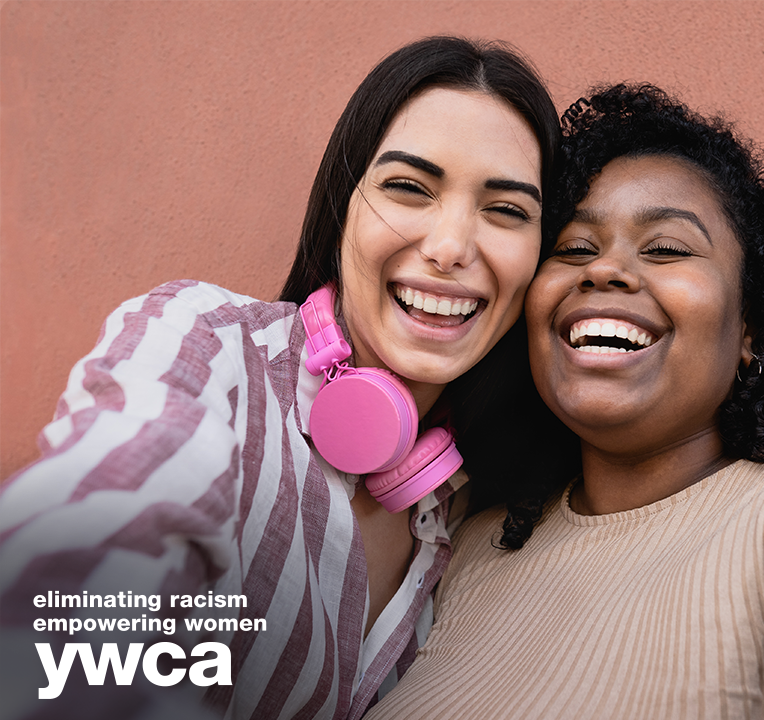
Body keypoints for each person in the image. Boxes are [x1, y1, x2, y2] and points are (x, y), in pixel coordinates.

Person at [0, 36, 575, 720]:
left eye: (507, 210)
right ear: (341, 211)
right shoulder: (206, 346)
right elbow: (98, 547)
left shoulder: (474, 511)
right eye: (408, 188)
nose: (451, 247)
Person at [368, 84, 764, 720]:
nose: (604, 271)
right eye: (573, 249)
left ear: (752, 330)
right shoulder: (470, 547)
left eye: (666, 249)